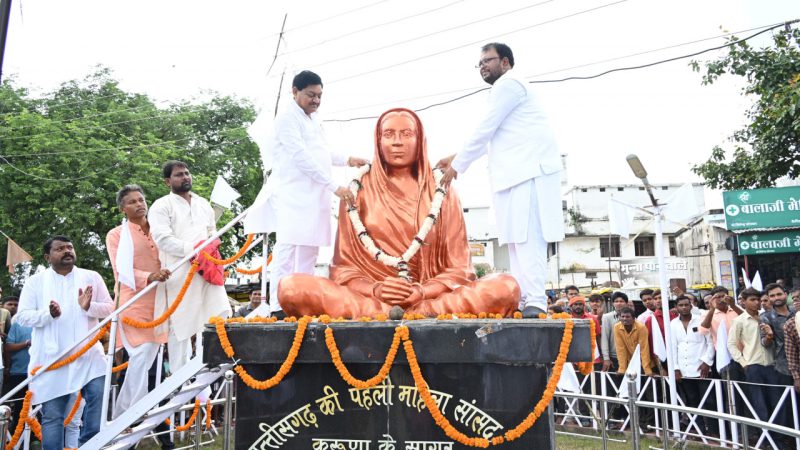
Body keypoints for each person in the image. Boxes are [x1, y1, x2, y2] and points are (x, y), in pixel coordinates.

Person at [278, 108, 520, 318]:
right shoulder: (356, 192)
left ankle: (414, 312)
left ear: (420, 140)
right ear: (378, 141)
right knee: (291, 288)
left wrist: (421, 292)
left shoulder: (442, 191)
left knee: (505, 287)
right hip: (370, 296)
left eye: (406, 134)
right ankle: (391, 312)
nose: (396, 142)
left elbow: (460, 270)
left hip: (431, 296)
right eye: (388, 134)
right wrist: (377, 290)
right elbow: (343, 270)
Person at [437, 42, 564, 318]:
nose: (483, 66)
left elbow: (485, 128)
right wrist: (455, 156)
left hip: (528, 174)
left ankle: (536, 302)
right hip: (513, 177)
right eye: (479, 62)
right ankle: (523, 299)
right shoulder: (504, 90)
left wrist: (457, 166)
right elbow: (492, 137)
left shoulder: (510, 85)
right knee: (516, 242)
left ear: (505, 62)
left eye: (488, 60)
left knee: (528, 239)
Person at [262, 70, 368, 318]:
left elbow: (322, 152)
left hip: (314, 194)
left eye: (320, 96)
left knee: (309, 250)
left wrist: (347, 159)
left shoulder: (313, 119)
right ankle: (279, 306)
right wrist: (334, 186)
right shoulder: (287, 118)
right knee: (287, 248)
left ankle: (301, 300)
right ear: (294, 91)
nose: (316, 101)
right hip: (292, 193)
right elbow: (301, 157)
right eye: (311, 95)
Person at [16, 235, 114, 450]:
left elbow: (109, 308)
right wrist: (48, 314)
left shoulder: (91, 276)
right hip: (52, 359)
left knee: (98, 396)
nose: (67, 251)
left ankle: (88, 444)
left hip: (88, 355)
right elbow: (22, 316)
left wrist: (89, 307)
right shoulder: (35, 282)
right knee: (53, 417)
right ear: (47, 256)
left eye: (69, 247)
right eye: (60, 248)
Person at [149, 161, 231, 372]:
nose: (185, 177)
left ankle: (210, 368)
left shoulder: (203, 203)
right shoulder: (161, 205)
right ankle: (179, 377)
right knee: (182, 324)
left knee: (215, 314)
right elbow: (162, 239)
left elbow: (212, 232)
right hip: (180, 272)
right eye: (179, 175)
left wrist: (209, 251)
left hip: (208, 269)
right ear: (168, 181)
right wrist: (194, 250)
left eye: (187, 173)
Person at [106, 185, 172, 418]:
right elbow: (120, 271)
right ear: (123, 208)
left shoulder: (161, 230)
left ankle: (130, 411)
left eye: (141, 199)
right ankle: (129, 413)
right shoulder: (116, 235)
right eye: (132, 201)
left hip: (162, 301)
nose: (139, 204)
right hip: (133, 301)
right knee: (142, 353)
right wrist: (149, 276)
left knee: (148, 357)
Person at [669, 295, 717, 436]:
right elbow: (672, 347)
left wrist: (707, 362)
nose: (684, 307)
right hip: (684, 370)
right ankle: (700, 431)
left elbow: (710, 343)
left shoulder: (701, 319)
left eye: (686, 304)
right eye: (681, 305)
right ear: (676, 307)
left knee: (709, 401)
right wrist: (675, 368)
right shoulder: (672, 324)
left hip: (701, 368)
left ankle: (714, 431)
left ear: (691, 306)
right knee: (692, 401)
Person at [728, 288, 776, 424]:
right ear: (743, 302)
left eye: (758, 300)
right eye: (752, 300)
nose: (757, 303)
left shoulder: (766, 317)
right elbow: (731, 344)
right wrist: (743, 362)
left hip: (772, 364)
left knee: (776, 401)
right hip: (753, 365)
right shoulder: (739, 321)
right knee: (759, 403)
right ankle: (764, 438)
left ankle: (779, 437)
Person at [3, 313, 31, 428]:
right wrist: (26, 343)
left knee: (37, 407)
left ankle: (34, 439)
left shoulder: (46, 325)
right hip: (19, 373)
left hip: (39, 374)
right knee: (20, 407)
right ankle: (17, 438)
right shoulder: (17, 325)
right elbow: (8, 347)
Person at [614, 307, 653, 376]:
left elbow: (644, 348)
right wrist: (622, 368)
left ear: (633, 318)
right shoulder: (616, 327)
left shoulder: (641, 327)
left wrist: (647, 369)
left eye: (627, 317)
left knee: (647, 384)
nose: (624, 319)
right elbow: (620, 349)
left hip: (646, 362)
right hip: (631, 363)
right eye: (622, 316)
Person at [600, 292, 628, 372]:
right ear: (613, 303)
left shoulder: (630, 316)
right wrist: (606, 358)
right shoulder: (607, 317)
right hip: (614, 357)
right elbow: (605, 338)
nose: (619, 303)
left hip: (629, 356)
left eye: (621, 301)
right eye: (616, 301)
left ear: (626, 303)